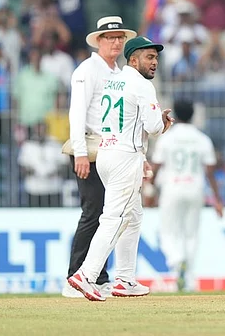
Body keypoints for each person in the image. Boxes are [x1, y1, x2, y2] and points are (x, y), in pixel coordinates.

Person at [68, 36, 173, 301]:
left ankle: (125, 279)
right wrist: (163, 123)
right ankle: (86, 275)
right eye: (149, 57)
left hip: (107, 154)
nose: (154, 63)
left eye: (156, 58)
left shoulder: (113, 80)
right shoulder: (141, 85)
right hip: (125, 157)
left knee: (133, 216)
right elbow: (153, 127)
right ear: (133, 59)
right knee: (114, 218)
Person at [61, 16, 138, 298]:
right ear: (99, 41)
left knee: (109, 215)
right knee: (93, 212)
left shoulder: (119, 73)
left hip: (112, 150)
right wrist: (80, 152)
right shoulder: (88, 69)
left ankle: (98, 276)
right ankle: (75, 275)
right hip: (90, 148)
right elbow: (77, 112)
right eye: (110, 37)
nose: (116, 42)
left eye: (120, 37)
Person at [148, 100, 224, 292]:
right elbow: (210, 172)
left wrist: (149, 191)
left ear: (177, 115)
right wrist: (217, 200)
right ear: (192, 115)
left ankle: (176, 261)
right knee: (191, 234)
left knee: (168, 231)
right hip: (195, 188)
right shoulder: (202, 139)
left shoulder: (167, 138)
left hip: (172, 188)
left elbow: (156, 167)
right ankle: (187, 280)